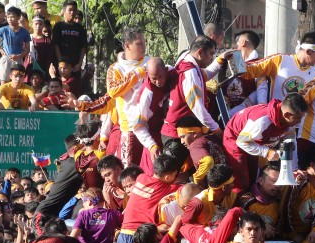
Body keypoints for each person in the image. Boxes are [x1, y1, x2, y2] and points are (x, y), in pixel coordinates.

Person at [77, 29, 149, 166]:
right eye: (139, 44)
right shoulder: (115, 69)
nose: (144, 47)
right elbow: (113, 93)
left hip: (153, 127)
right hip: (131, 128)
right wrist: (138, 73)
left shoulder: (150, 63)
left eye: (144, 43)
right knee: (128, 171)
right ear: (127, 45)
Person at [222, 93, 307, 193]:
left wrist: (293, 169)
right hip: (235, 140)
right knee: (242, 182)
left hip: (254, 140)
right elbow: (241, 142)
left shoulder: (288, 119)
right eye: (298, 118)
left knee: (254, 177)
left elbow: (289, 140)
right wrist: (266, 152)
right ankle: (237, 205)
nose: (300, 122)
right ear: (287, 115)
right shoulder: (262, 122)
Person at [162, 35, 231, 142]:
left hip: (180, 130)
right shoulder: (190, 73)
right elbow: (197, 107)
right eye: (211, 53)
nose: (212, 58)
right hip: (179, 134)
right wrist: (216, 129)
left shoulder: (186, 58)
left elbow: (204, 75)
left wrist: (220, 60)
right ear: (199, 52)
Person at [115, 154, 179, 243]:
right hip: (139, 237)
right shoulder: (168, 188)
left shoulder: (141, 178)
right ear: (167, 177)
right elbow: (187, 191)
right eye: (175, 175)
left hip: (123, 234)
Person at [241, 31, 315, 101]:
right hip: (276, 118)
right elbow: (249, 70)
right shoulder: (280, 60)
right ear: (309, 51)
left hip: (302, 120)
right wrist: (233, 58)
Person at [0, 6, 31, 84]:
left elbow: (28, 49)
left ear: (19, 17)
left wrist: (19, 56)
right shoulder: (4, 29)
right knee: (3, 83)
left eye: (12, 17)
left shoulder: (24, 32)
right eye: (8, 17)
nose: (10, 19)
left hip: (18, 60)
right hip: (6, 58)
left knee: (17, 82)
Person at [51, 0, 87, 71]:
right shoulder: (58, 26)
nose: (72, 12)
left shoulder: (80, 28)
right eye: (70, 10)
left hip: (75, 65)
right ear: (64, 10)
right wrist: (60, 61)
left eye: (74, 10)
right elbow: (55, 45)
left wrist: (80, 63)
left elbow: (83, 47)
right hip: (61, 66)